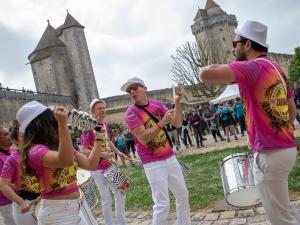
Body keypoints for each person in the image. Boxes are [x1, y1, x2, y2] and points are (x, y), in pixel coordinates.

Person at [199, 20, 300, 225]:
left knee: (280, 218)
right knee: (284, 208)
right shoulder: (277, 69)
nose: (233, 48)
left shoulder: (252, 67)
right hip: (284, 148)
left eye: (235, 43)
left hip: (270, 153)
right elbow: (291, 111)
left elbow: (205, 74)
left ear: (248, 45)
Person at [16, 100, 106, 225]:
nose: (55, 119)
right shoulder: (35, 151)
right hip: (55, 213)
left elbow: (91, 164)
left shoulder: (61, 146)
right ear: (42, 123)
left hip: (75, 207)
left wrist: (99, 138)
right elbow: (66, 161)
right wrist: (62, 124)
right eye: (51, 117)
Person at [121, 77, 191, 225]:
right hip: (152, 163)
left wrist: (178, 102)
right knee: (162, 204)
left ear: (145, 88)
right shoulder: (131, 113)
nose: (132, 91)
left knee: (183, 194)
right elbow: (143, 138)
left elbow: (178, 123)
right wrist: (162, 122)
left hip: (170, 157)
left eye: (135, 87)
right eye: (129, 90)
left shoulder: (157, 105)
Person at [80, 99, 128, 225]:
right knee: (106, 199)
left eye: (103, 108)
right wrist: (103, 155)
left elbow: (108, 141)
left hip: (110, 166)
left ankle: (121, 222)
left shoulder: (104, 124)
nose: (102, 110)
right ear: (92, 112)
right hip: (96, 168)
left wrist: (118, 152)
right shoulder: (88, 127)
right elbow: (83, 150)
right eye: (99, 108)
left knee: (121, 192)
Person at [0, 121, 40, 225]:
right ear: (16, 140)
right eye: (22, 136)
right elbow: (3, 184)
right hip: (21, 202)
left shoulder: (38, 153)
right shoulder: (12, 159)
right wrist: (21, 201)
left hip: (41, 200)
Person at [0, 126, 16, 225]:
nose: (10, 136)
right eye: (6, 134)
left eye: (9, 133)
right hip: (6, 200)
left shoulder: (13, 151)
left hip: (19, 197)